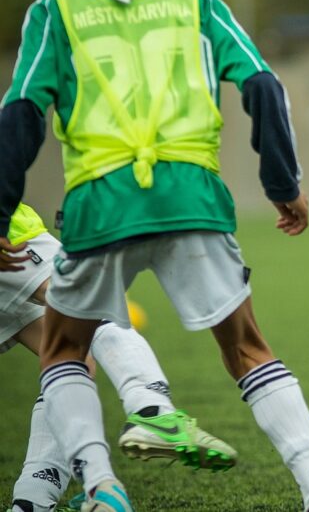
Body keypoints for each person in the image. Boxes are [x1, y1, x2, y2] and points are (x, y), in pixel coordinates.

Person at [0, 0, 309, 511]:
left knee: (63, 348)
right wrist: (282, 183)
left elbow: (21, 113)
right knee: (246, 348)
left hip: (100, 204)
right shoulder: (199, 4)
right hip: (192, 198)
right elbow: (265, 85)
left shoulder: (55, 9)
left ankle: (103, 485)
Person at [2, 203, 236, 512]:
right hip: (12, 236)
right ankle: (152, 411)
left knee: (73, 360)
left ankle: (32, 499)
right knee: (91, 303)